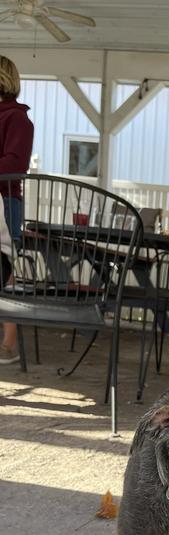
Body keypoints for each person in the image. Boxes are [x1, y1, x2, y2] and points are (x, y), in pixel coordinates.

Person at [0, 55, 34, 365]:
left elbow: (15, 164)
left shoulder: (17, 118)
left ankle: (8, 344)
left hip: (4, 201)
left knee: (7, 268)